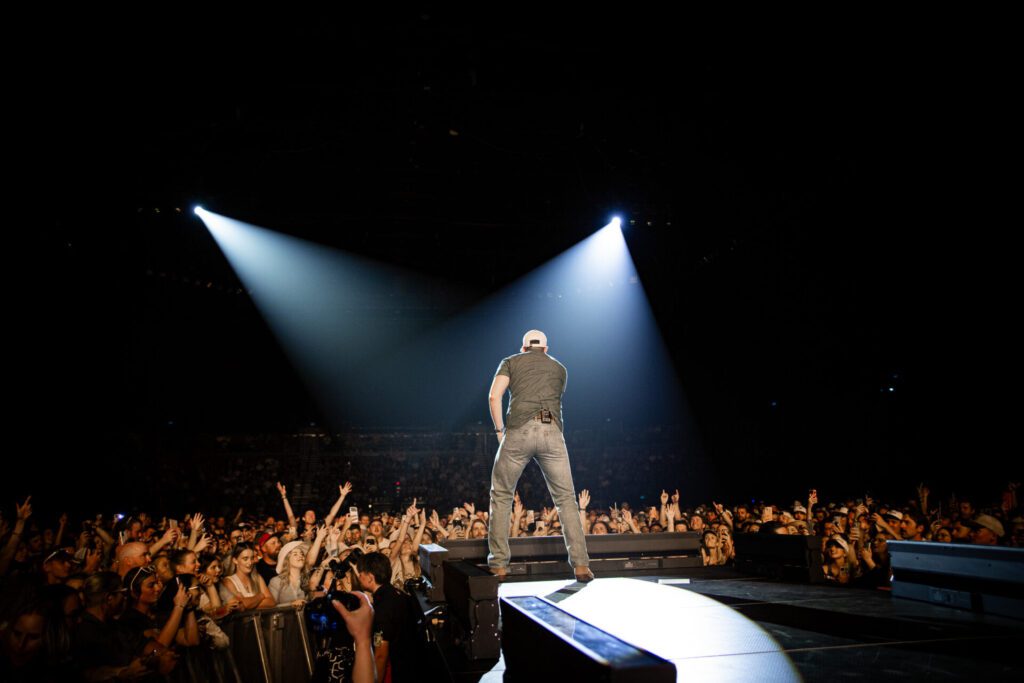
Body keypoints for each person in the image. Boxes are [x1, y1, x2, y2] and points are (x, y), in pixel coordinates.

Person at [487, 329, 593, 582]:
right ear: (546, 348)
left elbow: (494, 396)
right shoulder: (560, 369)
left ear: (523, 347)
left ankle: (499, 565)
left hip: (518, 432)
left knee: (502, 495)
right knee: (566, 499)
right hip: (552, 432)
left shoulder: (510, 361)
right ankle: (581, 565)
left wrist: (500, 430)